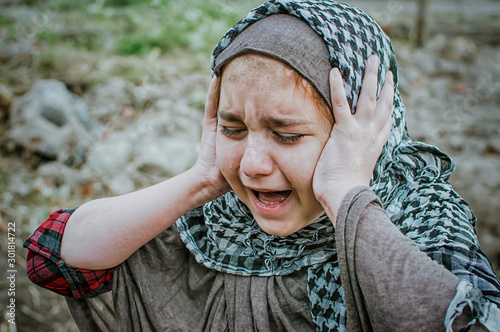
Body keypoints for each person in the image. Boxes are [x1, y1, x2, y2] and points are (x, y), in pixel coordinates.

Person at [24, 1, 500, 331]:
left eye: (287, 135)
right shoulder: (215, 228)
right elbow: (51, 260)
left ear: (364, 134)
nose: (251, 165)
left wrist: (348, 197)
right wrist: (200, 181)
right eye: (233, 129)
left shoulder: (418, 223)